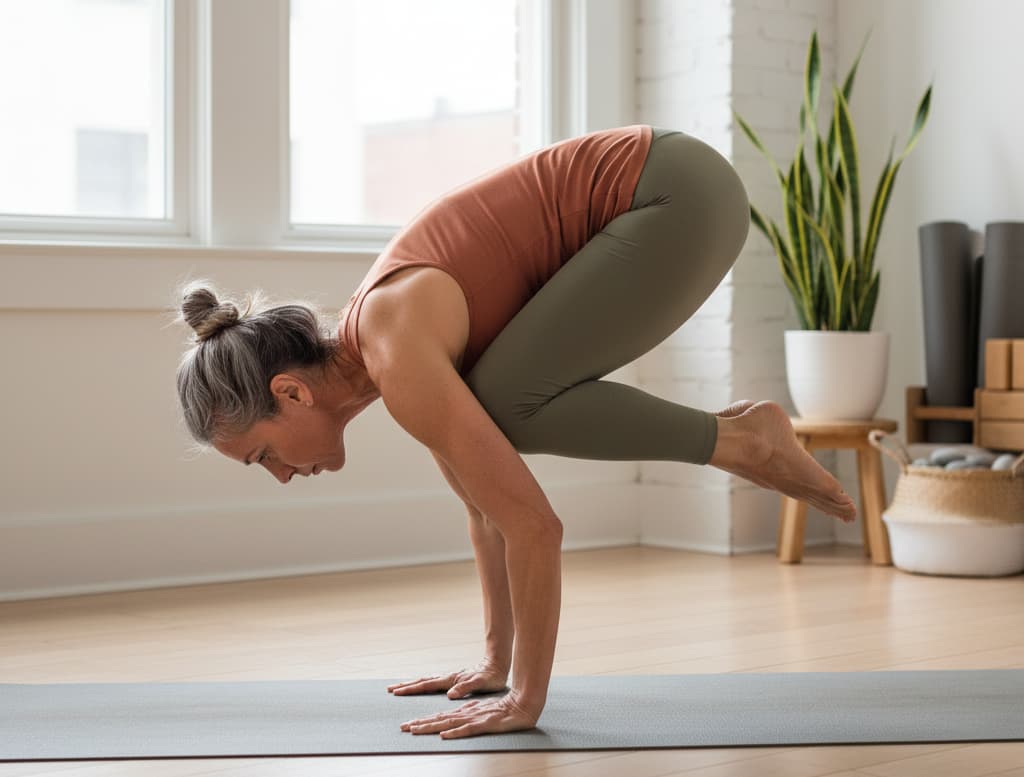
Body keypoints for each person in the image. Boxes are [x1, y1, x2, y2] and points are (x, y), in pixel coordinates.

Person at [174, 124, 857, 741]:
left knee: (504, 404)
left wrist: (527, 698)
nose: (283, 475)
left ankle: (744, 441)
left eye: (263, 454)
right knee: (494, 412)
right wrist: (496, 663)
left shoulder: (393, 348)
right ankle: (741, 438)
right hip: (674, 193)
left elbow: (534, 526)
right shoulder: (392, 355)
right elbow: (487, 515)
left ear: (289, 392)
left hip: (678, 197)